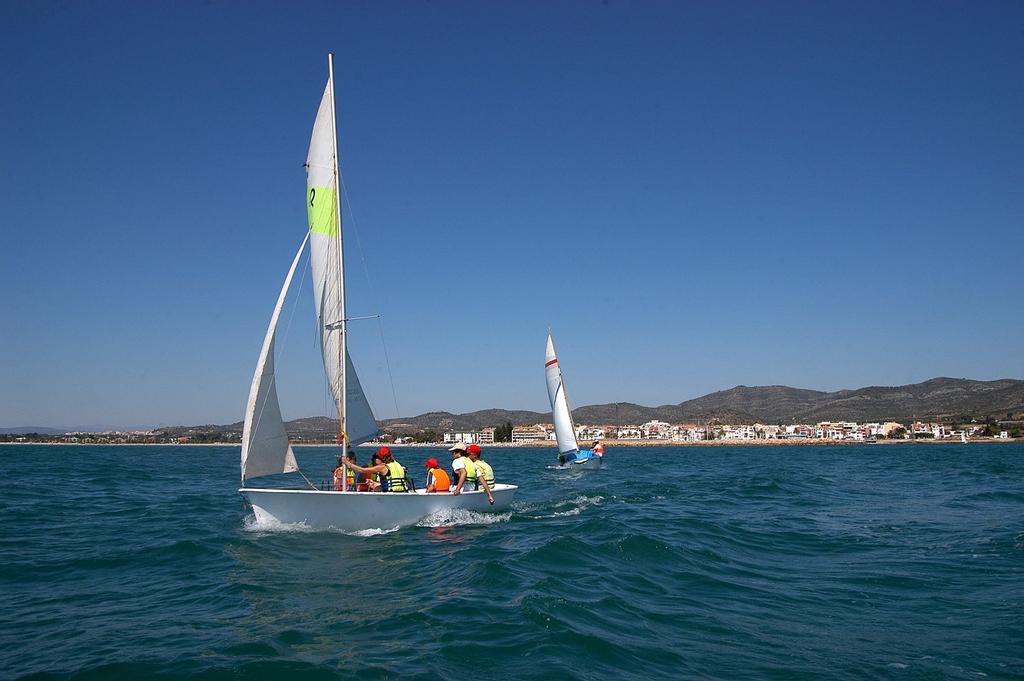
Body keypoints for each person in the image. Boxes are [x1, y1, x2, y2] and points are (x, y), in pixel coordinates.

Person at [341, 447, 410, 492]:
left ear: (382, 457)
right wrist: (375, 483)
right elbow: (392, 481)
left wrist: (348, 464)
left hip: (390, 494)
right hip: (402, 492)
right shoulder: (398, 465)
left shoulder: (383, 467)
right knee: (376, 488)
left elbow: (363, 470)